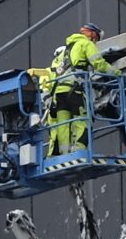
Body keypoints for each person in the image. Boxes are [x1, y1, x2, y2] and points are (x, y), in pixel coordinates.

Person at [44, 23, 116, 154]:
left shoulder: (63, 52)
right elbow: (99, 64)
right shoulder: (86, 44)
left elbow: (51, 75)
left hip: (59, 94)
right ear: (92, 34)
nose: (95, 42)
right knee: (82, 120)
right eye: (96, 38)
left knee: (62, 125)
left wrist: (48, 96)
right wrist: (117, 74)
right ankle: (80, 152)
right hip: (74, 91)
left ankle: (64, 154)